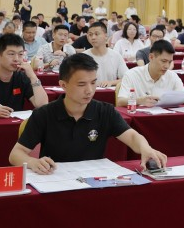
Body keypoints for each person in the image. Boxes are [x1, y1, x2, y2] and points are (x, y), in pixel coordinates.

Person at [9, 53, 168, 173]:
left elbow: (132, 137)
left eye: (93, 83)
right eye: (81, 84)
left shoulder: (105, 111)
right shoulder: (44, 114)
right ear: (63, 85)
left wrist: (145, 148)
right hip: (56, 180)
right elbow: (16, 154)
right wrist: (33, 162)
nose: (90, 90)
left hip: (94, 180)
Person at [117, 41, 184, 107]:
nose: (167, 66)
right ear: (151, 57)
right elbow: (120, 102)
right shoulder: (132, 75)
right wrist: (139, 101)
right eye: (163, 61)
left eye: (170, 62)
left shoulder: (172, 76)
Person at [85, 22, 127, 87]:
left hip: (110, 92)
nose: (93, 37)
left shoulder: (116, 56)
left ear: (106, 36)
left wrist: (111, 82)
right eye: (90, 35)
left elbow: (127, 78)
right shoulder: (83, 57)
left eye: (96, 34)